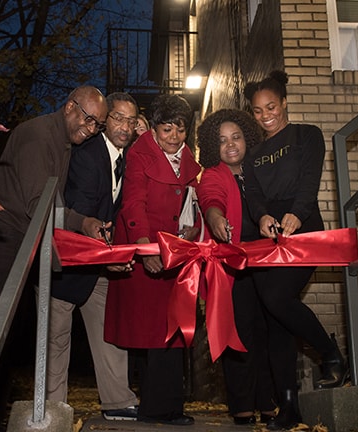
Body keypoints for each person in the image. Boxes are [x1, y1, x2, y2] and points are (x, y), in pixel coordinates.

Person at [0, 85, 108, 359]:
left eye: (98, 125)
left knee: (6, 328)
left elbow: (53, 203)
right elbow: (38, 205)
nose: (91, 129)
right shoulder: (39, 136)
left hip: (15, 235)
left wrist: (85, 222)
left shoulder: (62, 140)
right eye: (89, 119)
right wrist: (77, 233)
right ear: (69, 107)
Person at [243, 70, 347, 430]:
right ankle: (288, 406)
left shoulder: (307, 135)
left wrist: (296, 215)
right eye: (257, 111)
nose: (265, 115)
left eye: (270, 106)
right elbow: (253, 196)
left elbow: (309, 181)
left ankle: (329, 351)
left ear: (284, 103)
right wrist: (261, 217)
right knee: (275, 322)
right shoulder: (253, 155)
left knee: (276, 298)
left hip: (302, 229)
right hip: (267, 236)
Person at [105, 94, 201, 426]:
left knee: (171, 329)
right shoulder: (140, 154)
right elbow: (133, 203)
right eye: (166, 129)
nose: (174, 136)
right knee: (153, 332)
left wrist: (193, 231)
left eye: (180, 129)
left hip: (175, 254)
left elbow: (193, 204)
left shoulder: (188, 158)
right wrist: (145, 250)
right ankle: (159, 409)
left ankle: (165, 406)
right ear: (155, 129)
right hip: (146, 249)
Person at [47, 92, 140, 420]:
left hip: (100, 262)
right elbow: (81, 212)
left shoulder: (129, 157)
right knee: (56, 336)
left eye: (131, 120)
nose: (124, 127)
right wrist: (101, 251)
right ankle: (53, 407)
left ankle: (118, 401)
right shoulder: (87, 154)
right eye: (117, 118)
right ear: (103, 121)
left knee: (108, 329)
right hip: (69, 260)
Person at [196, 109, 277, 425]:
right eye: (222, 140)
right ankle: (243, 406)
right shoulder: (214, 174)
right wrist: (216, 219)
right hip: (235, 266)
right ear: (212, 146)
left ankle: (268, 402)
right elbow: (210, 199)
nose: (230, 145)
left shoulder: (262, 170)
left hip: (269, 263)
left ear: (248, 138)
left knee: (267, 333)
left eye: (236, 137)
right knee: (240, 334)